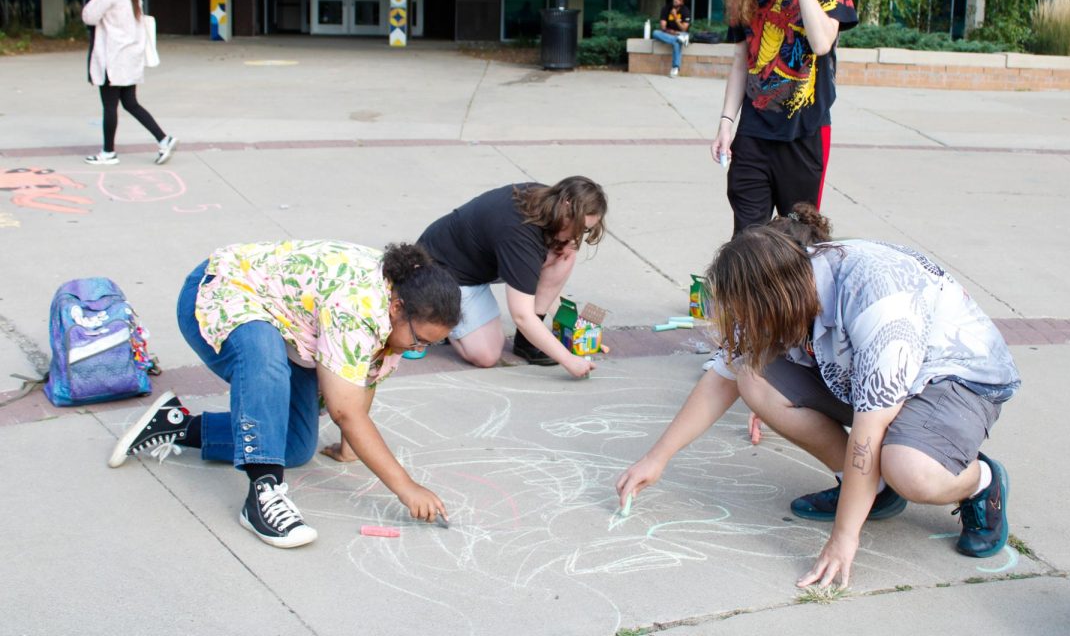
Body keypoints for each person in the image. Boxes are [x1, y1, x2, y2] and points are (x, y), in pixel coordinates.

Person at [617, 222, 1021, 589]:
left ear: (774, 300)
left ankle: (979, 482)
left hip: (953, 377)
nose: (744, 325)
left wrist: (844, 540)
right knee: (753, 377)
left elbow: (869, 433)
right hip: (861, 373)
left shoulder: (877, 303)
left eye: (749, 316)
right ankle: (873, 492)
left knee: (909, 469)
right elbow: (722, 378)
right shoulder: (783, 284)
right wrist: (656, 458)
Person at [108, 240, 462, 549]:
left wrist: (349, 446)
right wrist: (406, 487)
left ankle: (176, 425)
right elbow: (347, 412)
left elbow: (363, 373)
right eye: (418, 341)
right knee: (267, 363)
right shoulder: (358, 308)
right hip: (219, 292)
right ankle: (263, 493)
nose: (419, 350)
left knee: (292, 446)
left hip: (283, 323)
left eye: (429, 345)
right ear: (398, 308)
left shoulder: (399, 301)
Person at [711, 0, 858, 234]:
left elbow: (821, 43)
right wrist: (725, 122)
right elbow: (740, 63)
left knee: (799, 239)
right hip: (753, 132)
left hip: (804, 132)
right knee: (749, 240)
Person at [417, 176, 607, 378]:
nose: (579, 235)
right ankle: (443, 318)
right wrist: (569, 360)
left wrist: (578, 333)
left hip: (481, 261)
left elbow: (542, 291)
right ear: (566, 207)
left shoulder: (550, 201)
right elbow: (521, 315)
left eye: (585, 230)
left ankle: (526, 343)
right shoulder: (519, 234)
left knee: (565, 252)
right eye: (579, 227)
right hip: (444, 271)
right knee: (486, 355)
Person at [80, 0, 177, 166]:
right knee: (130, 103)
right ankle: (164, 139)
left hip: (112, 59)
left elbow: (89, 16)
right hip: (128, 57)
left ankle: (108, 152)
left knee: (109, 106)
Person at [651, 0, 692, 78]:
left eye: (679, 0)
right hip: (669, 34)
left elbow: (684, 28)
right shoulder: (666, 8)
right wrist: (673, 33)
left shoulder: (685, 11)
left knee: (677, 42)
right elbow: (663, 27)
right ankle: (676, 67)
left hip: (682, 33)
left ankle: (675, 67)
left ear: (682, 3)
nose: (676, 0)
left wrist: (675, 16)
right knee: (655, 33)